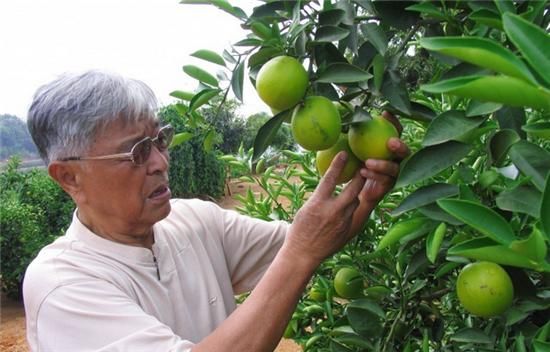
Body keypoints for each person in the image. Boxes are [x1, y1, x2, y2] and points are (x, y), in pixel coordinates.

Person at [23, 70, 409, 352]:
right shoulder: (63, 285)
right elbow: (301, 248)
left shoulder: (192, 221)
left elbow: (314, 237)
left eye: (160, 140)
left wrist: (365, 191)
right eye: (137, 151)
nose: (160, 162)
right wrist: (302, 252)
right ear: (70, 177)